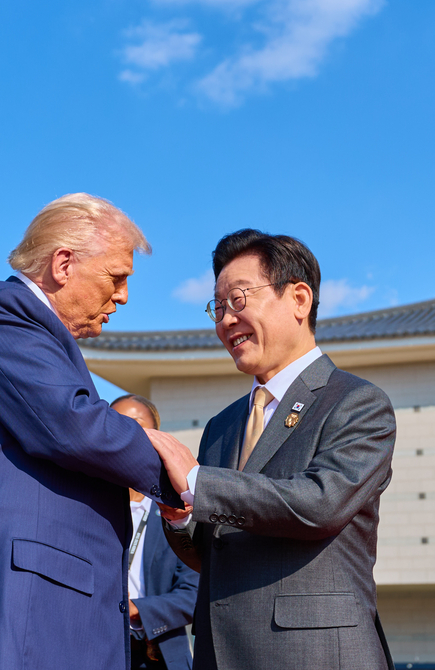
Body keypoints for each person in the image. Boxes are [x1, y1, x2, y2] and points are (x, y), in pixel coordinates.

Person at [0, 194, 180, 670]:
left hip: (41, 617)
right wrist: (182, 471)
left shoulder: (21, 328)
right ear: (64, 264)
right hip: (5, 615)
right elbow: (74, 424)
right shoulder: (2, 309)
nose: (124, 295)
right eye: (117, 276)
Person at [142, 229, 397, 670]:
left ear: (299, 299)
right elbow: (212, 551)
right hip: (221, 652)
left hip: (314, 654)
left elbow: (321, 503)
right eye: (217, 308)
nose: (224, 321)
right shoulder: (223, 425)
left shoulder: (356, 402)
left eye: (238, 300)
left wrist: (198, 482)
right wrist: (181, 515)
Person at [112, 394, 200, 670]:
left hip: (159, 655)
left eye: (137, 425)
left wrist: (138, 609)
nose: (125, 433)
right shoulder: (88, 509)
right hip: (100, 649)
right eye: (114, 424)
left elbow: (194, 592)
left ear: (157, 436)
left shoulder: (177, 510)